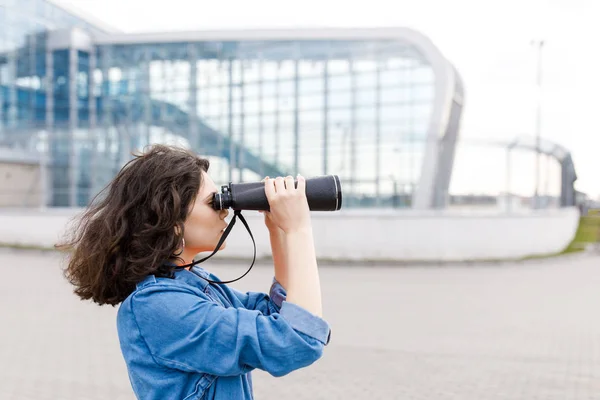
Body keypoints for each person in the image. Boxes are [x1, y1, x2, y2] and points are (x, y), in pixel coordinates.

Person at [59, 144, 330, 400]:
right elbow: (297, 339)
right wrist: (299, 230)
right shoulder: (157, 305)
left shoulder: (197, 284)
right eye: (213, 202)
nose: (224, 211)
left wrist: (279, 232)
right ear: (172, 219)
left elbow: (279, 313)